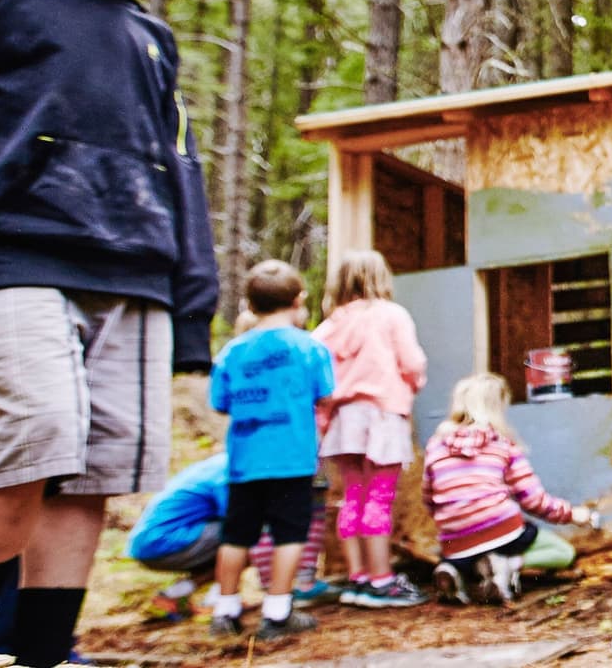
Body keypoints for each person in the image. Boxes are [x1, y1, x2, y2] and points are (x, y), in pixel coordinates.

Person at [0, 0, 218, 667]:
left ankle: (43, 652)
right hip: (11, 253)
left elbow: (179, 165)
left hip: (134, 272)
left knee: (94, 468)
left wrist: (192, 296)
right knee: (35, 430)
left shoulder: (149, 36)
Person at [206, 260, 335, 642]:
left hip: (245, 459)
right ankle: (276, 611)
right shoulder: (309, 347)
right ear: (298, 300)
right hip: (292, 458)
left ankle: (225, 610)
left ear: (250, 303)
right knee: (289, 533)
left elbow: (220, 402)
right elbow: (326, 395)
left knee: (237, 534)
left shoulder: (232, 350)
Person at [313, 249, 430, 609]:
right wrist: (413, 382)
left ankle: (358, 578)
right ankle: (382, 581)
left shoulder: (328, 326)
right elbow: (412, 362)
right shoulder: (391, 315)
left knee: (353, 497)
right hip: (380, 416)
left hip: (343, 422)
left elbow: (318, 376)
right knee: (378, 498)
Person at [422, 374, 598, 606]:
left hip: (455, 539)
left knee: (468, 553)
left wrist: (455, 520)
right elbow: (533, 500)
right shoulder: (501, 445)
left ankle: (453, 569)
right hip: (501, 529)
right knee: (561, 552)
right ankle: (508, 565)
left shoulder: (436, 446)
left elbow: (428, 496)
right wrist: (573, 514)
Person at [126, 452, 336, 622]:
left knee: (245, 535)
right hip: (163, 541)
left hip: (167, 539)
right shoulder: (232, 472)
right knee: (247, 535)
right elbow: (240, 521)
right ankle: (221, 600)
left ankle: (176, 595)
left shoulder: (227, 462)